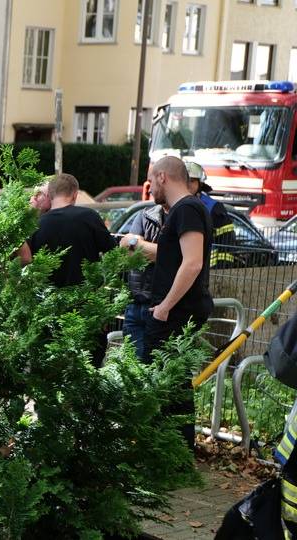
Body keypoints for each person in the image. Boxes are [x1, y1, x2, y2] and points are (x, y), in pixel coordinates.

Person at [144, 156, 213, 448]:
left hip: (176, 312)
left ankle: (174, 453)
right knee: (173, 382)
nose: (148, 188)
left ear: (163, 176)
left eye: (150, 179)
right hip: (175, 310)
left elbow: (193, 263)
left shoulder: (186, 209)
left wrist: (165, 307)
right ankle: (173, 453)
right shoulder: (185, 210)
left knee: (170, 383)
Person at [28, 173, 117, 288]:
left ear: (50, 195)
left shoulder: (37, 224)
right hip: (87, 297)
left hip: (48, 299)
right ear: (75, 195)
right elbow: (113, 252)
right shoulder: (90, 216)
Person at [119, 196, 168, 360]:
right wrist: (155, 250)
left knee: (156, 368)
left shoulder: (181, 217)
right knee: (133, 368)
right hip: (135, 305)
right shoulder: (145, 215)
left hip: (159, 308)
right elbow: (125, 249)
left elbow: (171, 255)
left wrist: (137, 244)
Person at [185, 160, 236, 268]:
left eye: (192, 180)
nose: (188, 184)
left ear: (200, 183)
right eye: (184, 180)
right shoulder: (171, 204)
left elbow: (226, 243)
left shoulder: (214, 208)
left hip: (208, 271)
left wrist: (221, 270)